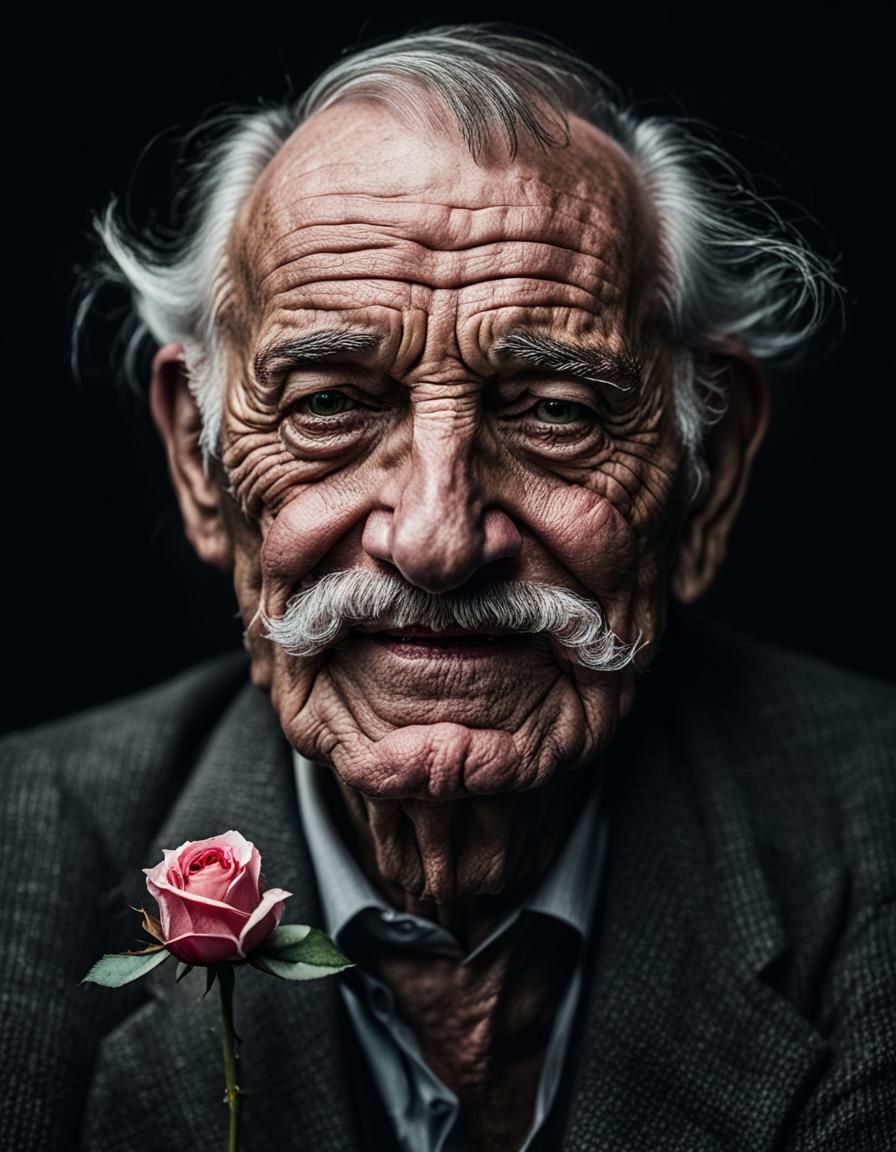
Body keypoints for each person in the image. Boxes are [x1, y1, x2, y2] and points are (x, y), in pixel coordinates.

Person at [2, 25, 893, 1152]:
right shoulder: (17, 860)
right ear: (199, 463)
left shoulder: (875, 840)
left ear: (703, 476)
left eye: (555, 412)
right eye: (330, 405)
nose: (435, 540)